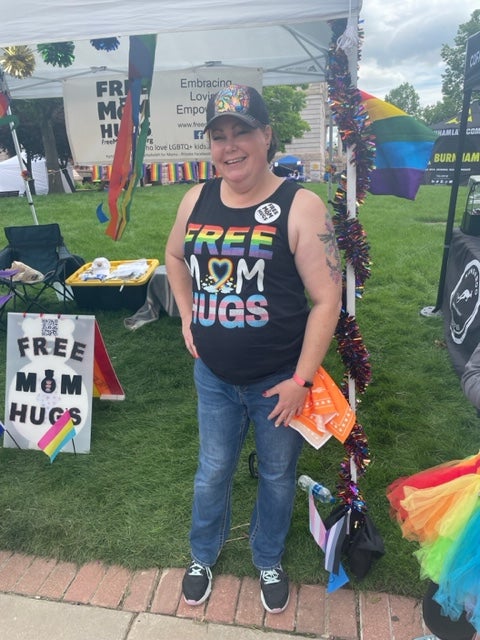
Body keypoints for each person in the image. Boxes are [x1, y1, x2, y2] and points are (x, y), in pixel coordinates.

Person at [165, 84, 342, 614]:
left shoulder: (300, 205)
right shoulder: (196, 197)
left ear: (266, 135)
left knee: (277, 474)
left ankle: (268, 558)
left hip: (278, 384)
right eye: (218, 135)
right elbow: (175, 256)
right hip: (214, 377)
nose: (230, 145)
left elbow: (327, 297)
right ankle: (202, 553)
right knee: (213, 469)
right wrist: (188, 313)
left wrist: (301, 380)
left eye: (242, 131)